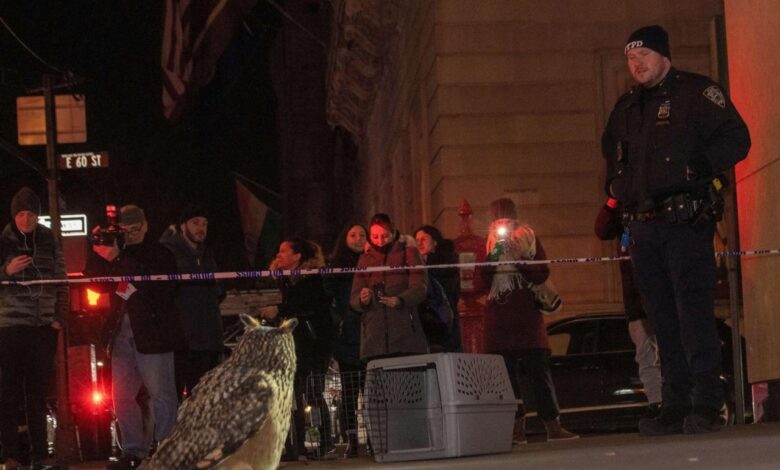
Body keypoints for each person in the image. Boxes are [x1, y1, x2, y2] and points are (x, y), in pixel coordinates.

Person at [602, 25, 750, 435]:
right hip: (644, 228)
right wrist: (616, 191)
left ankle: (706, 404)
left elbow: (737, 138)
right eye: (631, 59)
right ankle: (675, 403)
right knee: (661, 320)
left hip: (685, 222)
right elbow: (612, 155)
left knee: (693, 315)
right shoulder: (627, 107)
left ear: (664, 55)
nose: (637, 64)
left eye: (644, 56)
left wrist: (699, 167)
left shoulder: (696, 94)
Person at [85, 205, 185, 469]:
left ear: (145, 225)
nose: (129, 235)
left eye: (134, 229)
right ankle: (133, 451)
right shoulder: (119, 254)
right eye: (124, 230)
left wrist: (118, 260)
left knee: (161, 393)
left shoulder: (161, 253)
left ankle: (165, 449)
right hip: (121, 335)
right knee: (121, 397)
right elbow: (96, 282)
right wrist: (96, 249)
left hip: (153, 334)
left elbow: (155, 288)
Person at [480, 198, 577, 444]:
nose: (503, 224)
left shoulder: (528, 238)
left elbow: (542, 273)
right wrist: (494, 255)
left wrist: (521, 257)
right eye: (498, 219)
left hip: (527, 316)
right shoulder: (488, 242)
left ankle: (552, 425)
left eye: (507, 218)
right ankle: (516, 429)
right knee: (506, 379)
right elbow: (481, 281)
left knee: (539, 374)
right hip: (500, 319)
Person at [0, 187, 69, 470]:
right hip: (9, 327)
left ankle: (41, 456)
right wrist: (6, 272)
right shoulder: (2, 242)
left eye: (31, 213)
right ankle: (11, 456)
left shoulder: (50, 242)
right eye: (21, 213)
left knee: (38, 394)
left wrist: (58, 320)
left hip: (42, 328)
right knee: (8, 392)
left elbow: (63, 282)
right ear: (14, 215)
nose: (26, 218)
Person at [259, 238, 334, 459]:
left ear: (297, 256)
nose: (279, 255)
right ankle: (296, 446)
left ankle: (324, 441)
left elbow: (309, 306)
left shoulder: (311, 279)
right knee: (293, 394)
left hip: (313, 342)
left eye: (284, 251)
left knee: (313, 393)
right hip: (293, 343)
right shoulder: (282, 280)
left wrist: (280, 310)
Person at [594, 197, 662, 416]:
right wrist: (613, 200)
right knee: (645, 356)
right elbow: (602, 229)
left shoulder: (654, 201)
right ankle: (656, 402)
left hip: (660, 297)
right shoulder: (621, 213)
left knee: (668, 351)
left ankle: (674, 399)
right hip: (635, 302)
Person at [160, 204, 224, 401]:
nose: (201, 228)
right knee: (179, 400)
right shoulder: (168, 253)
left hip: (209, 341)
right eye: (195, 222)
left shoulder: (207, 254)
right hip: (183, 342)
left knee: (207, 399)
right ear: (182, 226)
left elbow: (218, 290)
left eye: (205, 223)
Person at [350, 213, 428, 362]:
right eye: (375, 236)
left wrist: (401, 299)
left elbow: (420, 287)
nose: (380, 241)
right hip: (374, 340)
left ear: (393, 234)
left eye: (385, 236)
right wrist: (362, 299)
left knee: (407, 382)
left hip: (405, 337)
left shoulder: (409, 253)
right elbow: (354, 298)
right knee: (382, 383)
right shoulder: (364, 260)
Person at [323, 223, 367, 457]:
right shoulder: (335, 266)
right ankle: (351, 439)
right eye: (353, 234)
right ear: (344, 238)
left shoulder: (373, 261)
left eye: (362, 235)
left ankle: (373, 436)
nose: (358, 239)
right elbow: (328, 297)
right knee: (349, 390)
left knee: (370, 389)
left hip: (370, 332)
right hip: (346, 333)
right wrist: (337, 322)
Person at [414, 225, 462, 352]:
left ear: (435, 241)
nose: (419, 243)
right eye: (417, 240)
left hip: (442, 320)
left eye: (424, 239)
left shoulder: (445, 262)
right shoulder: (416, 264)